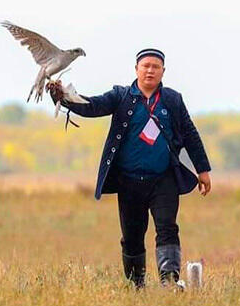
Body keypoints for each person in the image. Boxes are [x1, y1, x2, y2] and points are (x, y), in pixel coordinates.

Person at [48, 48, 212, 289]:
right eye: (145, 66)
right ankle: (136, 285)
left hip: (163, 178)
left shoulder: (172, 100)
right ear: (136, 69)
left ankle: (169, 281)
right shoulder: (121, 96)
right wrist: (64, 96)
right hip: (129, 180)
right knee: (132, 236)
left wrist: (203, 170)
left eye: (155, 67)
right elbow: (93, 107)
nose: (150, 71)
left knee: (167, 228)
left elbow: (190, 134)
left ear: (163, 71)